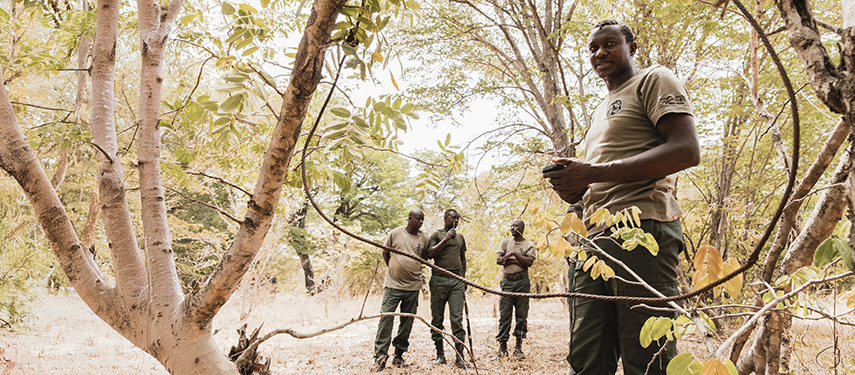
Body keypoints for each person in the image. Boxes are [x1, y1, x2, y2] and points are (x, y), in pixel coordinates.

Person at [544, 19, 700, 375]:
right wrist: (575, 185)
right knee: (586, 357)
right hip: (594, 239)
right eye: (593, 48)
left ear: (632, 46)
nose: (600, 53)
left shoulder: (653, 79)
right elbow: (606, 171)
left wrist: (594, 173)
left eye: (610, 43)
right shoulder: (602, 108)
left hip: (643, 232)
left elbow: (686, 151)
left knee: (647, 359)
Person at [371, 209, 430, 372]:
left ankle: (399, 354)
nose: (420, 222)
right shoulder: (395, 234)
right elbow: (386, 253)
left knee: (407, 322)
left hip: (413, 287)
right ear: (409, 219)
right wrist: (395, 269)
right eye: (417, 219)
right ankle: (380, 357)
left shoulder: (424, 238)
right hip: (393, 286)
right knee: (386, 320)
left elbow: (424, 257)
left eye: (422, 219)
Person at [425, 209, 468, 368]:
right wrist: (446, 238)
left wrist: (463, 277)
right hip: (439, 280)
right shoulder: (436, 235)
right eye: (452, 217)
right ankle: (440, 354)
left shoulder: (461, 238)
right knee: (437, 318)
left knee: (457, 319)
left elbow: (463, 259)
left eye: (457, 217)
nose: (456, 220)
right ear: (445, 219)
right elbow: (429, 254)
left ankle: (460, 356)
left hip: (456, 281)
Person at [492, 219, 536, 360]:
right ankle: (502, 348)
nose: (512, 228)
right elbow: (499, 261)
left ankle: (518, 347)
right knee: (505, 315)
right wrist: (519, 260)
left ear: (522, 228)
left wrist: (512, 254)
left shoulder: (529, 244)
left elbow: (529, 262)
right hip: (507, 282)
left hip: (522, 282)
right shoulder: (505, 242)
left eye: (515, 226)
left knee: (522, 315)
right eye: (511, 225)